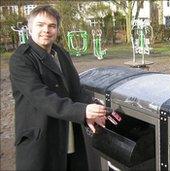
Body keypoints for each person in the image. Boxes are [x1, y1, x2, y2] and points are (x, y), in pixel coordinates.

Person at [9, 5, 106, 171]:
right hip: (41, 138)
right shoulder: (21, 59)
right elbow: (42, 98)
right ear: (30, 28)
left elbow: (76, 89)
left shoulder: (61, 53)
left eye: (52, 26)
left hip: (68, 134)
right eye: (40, 25)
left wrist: (93, 107)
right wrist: (83, 112)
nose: (46, 30)